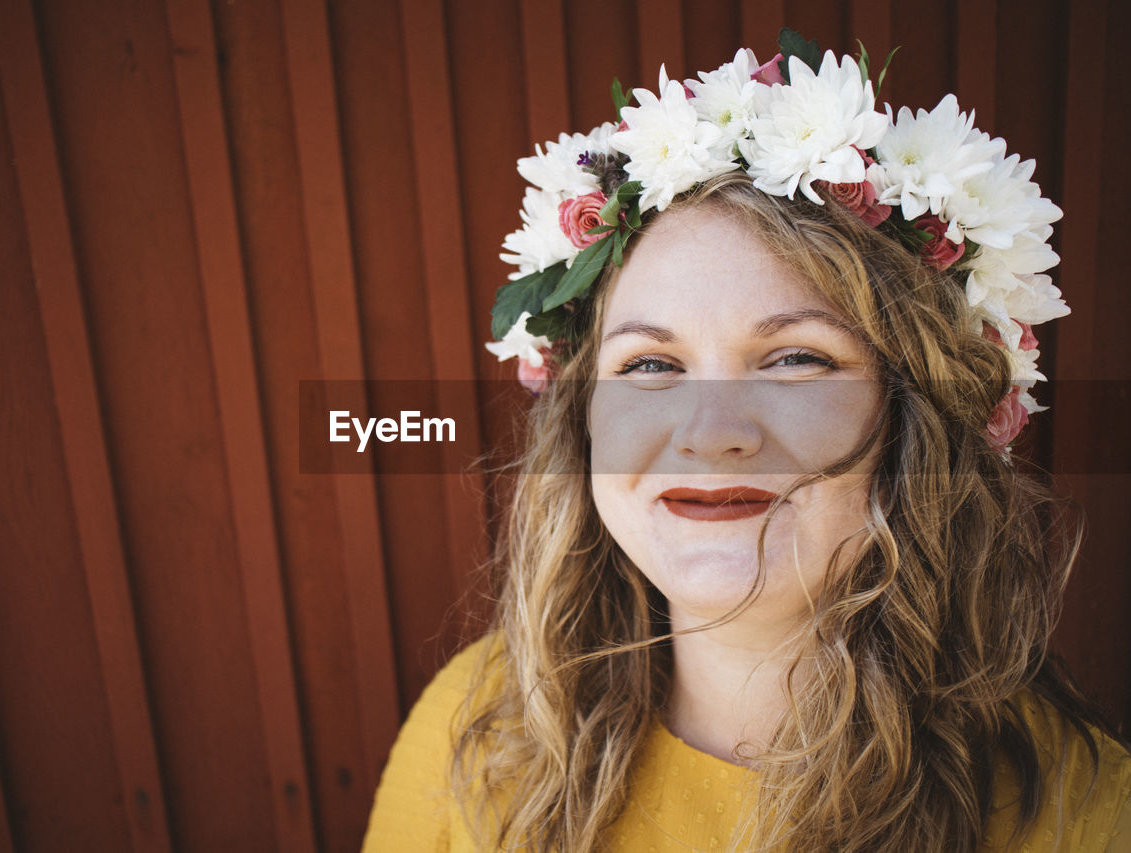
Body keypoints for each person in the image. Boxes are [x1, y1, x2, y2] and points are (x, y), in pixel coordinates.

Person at [363, 33, 1131, 852]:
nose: (711, 434)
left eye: (796, 359)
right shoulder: (476, 729)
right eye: (650, 363)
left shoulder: (1081, 812)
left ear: (920, 415)